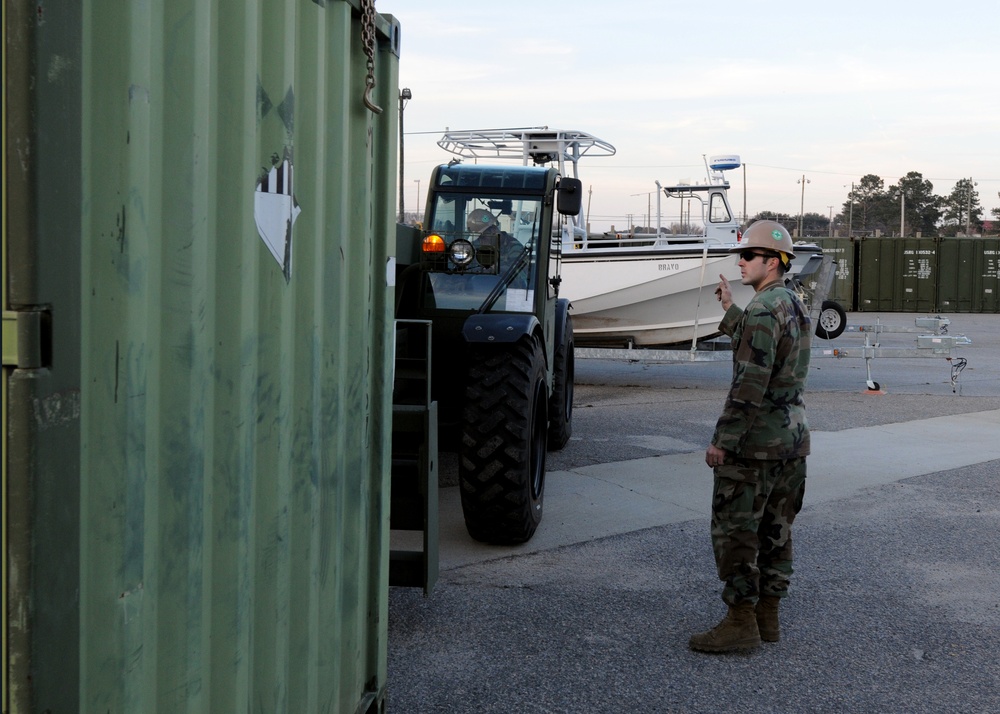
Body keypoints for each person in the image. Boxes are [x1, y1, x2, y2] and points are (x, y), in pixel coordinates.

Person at [689, 220, 812, 653]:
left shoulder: (763, 309)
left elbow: (749, 382)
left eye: (748, 255)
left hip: (755, 444)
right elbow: (767, 349)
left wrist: (722, 441)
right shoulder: (791, 303)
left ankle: (740, 622)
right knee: (776, 529)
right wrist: (730, 308)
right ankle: (767, 616)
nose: (740, 262)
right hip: (791, 442)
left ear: (772, 262)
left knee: (736, 531)